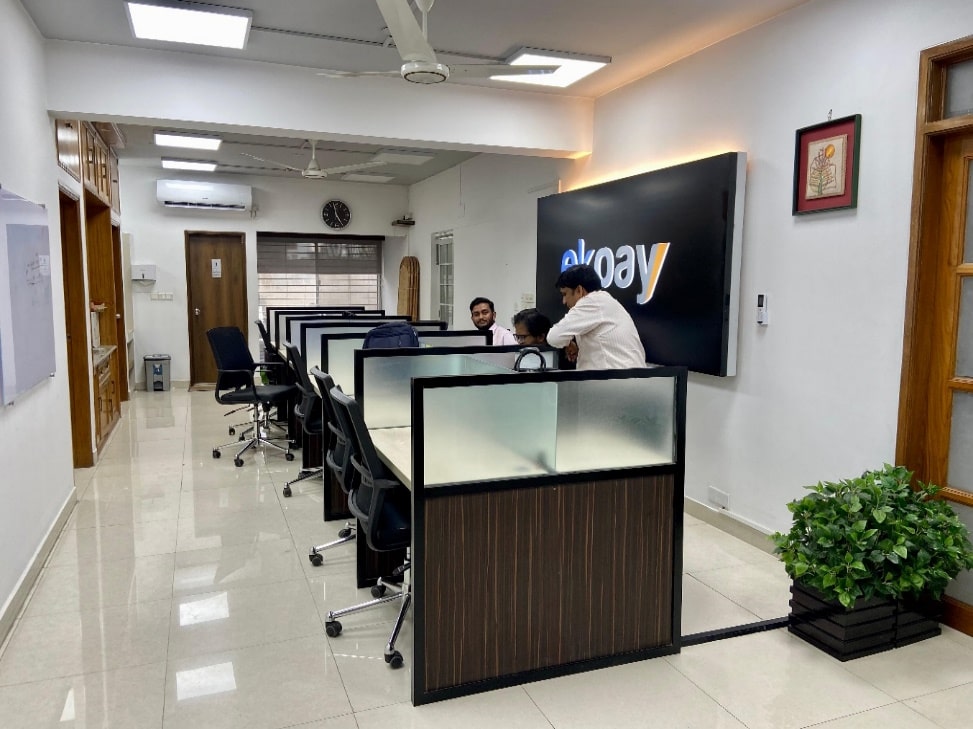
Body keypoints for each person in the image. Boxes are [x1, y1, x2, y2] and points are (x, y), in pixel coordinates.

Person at [546, 264, 646, 370]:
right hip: (625, 378)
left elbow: (554, 337)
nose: (564, 301)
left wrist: (567, 343)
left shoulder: (592, 302)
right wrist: (569, 343)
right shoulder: (603, 301)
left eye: (565, 294)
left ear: (579, 290)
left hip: (615, 380)